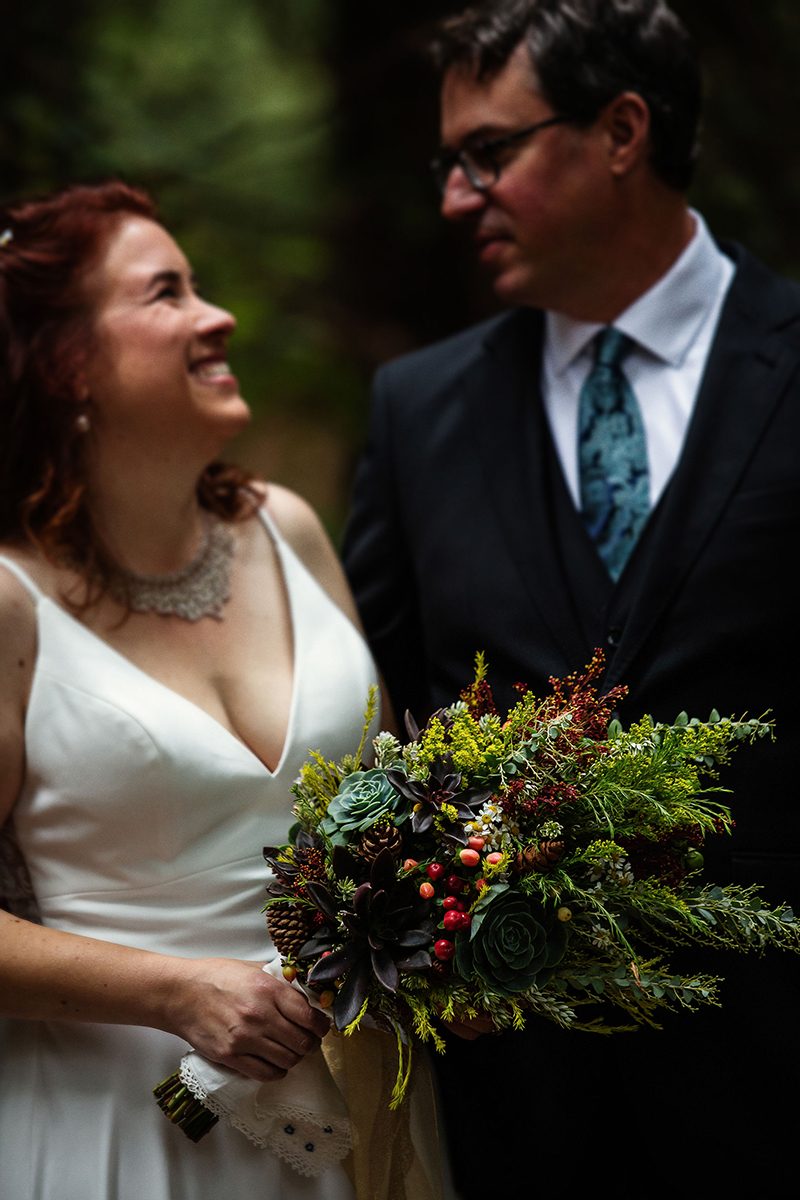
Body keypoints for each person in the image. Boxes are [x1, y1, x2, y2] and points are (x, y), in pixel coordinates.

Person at [342, 1, 800, 1195]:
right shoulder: (417, 413)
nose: (456, 198)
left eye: (488, 152)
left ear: (620, 132)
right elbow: (375, 717)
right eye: (446, 165)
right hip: (516, 1101)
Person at [0, 180, 444, 1200]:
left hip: (355, 1100)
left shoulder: (285, 528)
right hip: (126, 1124)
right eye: (167, 293)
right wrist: (173, 991)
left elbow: (393, 811)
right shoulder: (12, 602)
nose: (218, 316)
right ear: (65, 363)